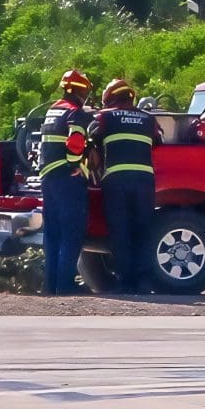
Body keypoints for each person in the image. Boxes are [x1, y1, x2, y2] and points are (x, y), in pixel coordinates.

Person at [89, 79, 162, 293]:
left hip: (117, 181)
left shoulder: (104, 117)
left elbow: (90, 137)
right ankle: (144, 281)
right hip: (144, 181)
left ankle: (125, 282)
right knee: (143, 229)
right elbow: (159, 142)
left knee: (120, 231)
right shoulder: (149, 119)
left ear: (110, 99)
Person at [38, 69, 95, 295]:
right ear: (82, 91)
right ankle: (66, 284)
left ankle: (50, 285)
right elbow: (75, 141)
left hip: (48, 177)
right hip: (66, 178)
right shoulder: (76, 113)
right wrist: (74, 165)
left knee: (52, 233)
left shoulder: (53, 110)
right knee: (72, 231)